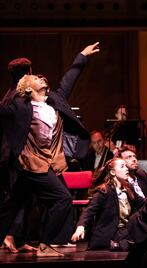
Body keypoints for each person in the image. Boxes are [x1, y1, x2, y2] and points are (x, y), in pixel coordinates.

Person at [0, 42, 99, 257]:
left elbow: (68, 80)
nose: (41, 77)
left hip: (48, 161)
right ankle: (45, 245)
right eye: (36, 78)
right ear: (28, 88)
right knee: (62, 198)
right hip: (30, 163)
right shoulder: (20, 106)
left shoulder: (54, 100)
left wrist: (81, 56)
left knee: (12, 205)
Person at [1, 57, 35, 253]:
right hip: (15, 155)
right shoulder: (18, 95)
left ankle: (19, 239)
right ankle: (10, 235)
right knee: (19, 197)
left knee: (23, 197)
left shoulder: (9, 94)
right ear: (28, 72)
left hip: (9, 154)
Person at [71, 158, 141, 251]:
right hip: (109, 235)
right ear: (113, 172)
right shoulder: (104, 191)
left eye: (126, 166)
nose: (126, 168)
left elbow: (143, 203)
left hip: (125, 232)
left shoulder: (129, 188)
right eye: (122, 166)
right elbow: (89, 211)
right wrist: (81, 227)